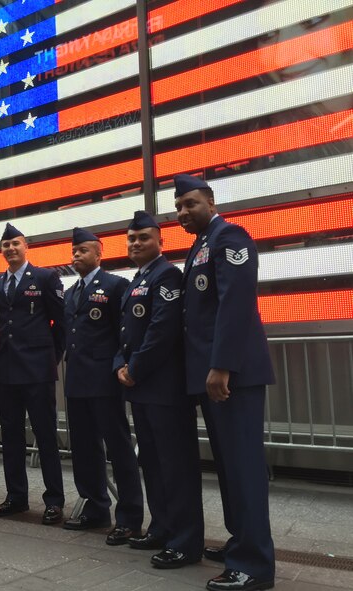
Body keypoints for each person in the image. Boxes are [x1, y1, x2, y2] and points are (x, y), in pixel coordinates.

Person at [175, 174, 275, 591]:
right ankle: (240, 543)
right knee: (230, 468)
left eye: (191, 204)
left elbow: (235, 302)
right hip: (215, 376)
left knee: (244, 468)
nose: (183, 212)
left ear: (211, 203)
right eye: (179, 207)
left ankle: (253, 565)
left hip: (232, 375)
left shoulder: (230, 237)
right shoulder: (201, 245)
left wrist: (222, 366)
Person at [113, 211, 204, 568]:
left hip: (165, 390)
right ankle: (162, 528)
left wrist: (133, 369)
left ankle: (185, 541)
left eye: (144, 238)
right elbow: (126, 333)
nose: (136, 244)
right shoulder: (138, 278)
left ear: (160, 241)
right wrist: (120, 366)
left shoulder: (168, 275)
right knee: (151, 462)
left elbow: (161, 330)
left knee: (175, 466)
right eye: (132, 239)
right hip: (142, 390)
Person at [62, 227, 143, 544]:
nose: (77, 255)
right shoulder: (70, 293)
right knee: (84, 449)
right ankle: (96, 507)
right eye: (74, 251)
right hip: (77, 382)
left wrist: (121, 366)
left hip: (105, 382)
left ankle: (130, 517)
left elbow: (123, 332)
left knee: (119, 449)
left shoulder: (115, 285)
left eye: (83, 250)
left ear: (99, 252)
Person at [0, 223, 66, 525]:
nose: (10, 249)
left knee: (46, 436)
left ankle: (54, 500)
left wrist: (51, 359)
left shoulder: (46, 278)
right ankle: (16, 497)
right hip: (6, 372)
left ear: (25, 246)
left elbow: (61, 324)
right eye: (5, 245)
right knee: (11, 437)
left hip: (37, 371)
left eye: (15, 243)